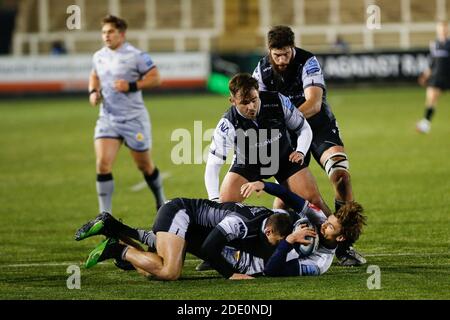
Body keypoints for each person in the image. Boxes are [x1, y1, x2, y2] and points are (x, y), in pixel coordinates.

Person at [252, 25, 364, 266]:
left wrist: (283, 123)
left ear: (293, 48)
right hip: (288, 136)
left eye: (286, 54)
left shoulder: (307, 62)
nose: (281, 60)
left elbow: (313, 104)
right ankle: (278, 245)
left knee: (341, 177)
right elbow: (255, 107)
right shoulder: (261, 71)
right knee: (295, 198)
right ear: (269, 51)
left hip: (319, 126)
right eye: (276, 55)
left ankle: (345, 246)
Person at [74, 198, 296, 280]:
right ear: (269, 232)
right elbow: (210, 248)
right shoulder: (242, 224)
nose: (275, 246)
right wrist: (230, 274)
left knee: (149, 269)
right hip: (179, 213)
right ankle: (116, 249)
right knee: (169, 272)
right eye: (277, 241)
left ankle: (113, 227)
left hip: (187, 225)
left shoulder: (269, 218)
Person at [204, 73, 331, 215]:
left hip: (283, 158)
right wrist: (214, 200)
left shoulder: (277, 101)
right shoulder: (227, 124)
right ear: (232, 101)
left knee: (314, 201)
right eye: (244, 103)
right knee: (225, 209)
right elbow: (213, 164)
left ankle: (338, 233)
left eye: (254, 100)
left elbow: (303, 128)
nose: (251, 107)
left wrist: (301, 151)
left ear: (258, 92)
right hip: (248, 163)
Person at [89, 15, 166, 214]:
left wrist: (131, 85)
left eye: (110, 32)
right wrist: (93, 92)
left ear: (121, 34)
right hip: (108, 118)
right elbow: (95, 75)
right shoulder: (99, 56)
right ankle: (104, 216)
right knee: (103, 164)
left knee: (145, 166)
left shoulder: (136, 56)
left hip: (133, 119)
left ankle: (160, 200)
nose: (106, 36)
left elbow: (156, 78)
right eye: (104, 32)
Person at [224, 181, 366, 276]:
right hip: (255, 227)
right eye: (327, 220)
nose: (323, 224)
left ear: (340, 237)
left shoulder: (319, 263)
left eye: (329, 226)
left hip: (250, 257)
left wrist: (289, 241)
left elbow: (272, 270)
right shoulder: (319, 217)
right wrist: (262, 185)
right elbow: (286, 195)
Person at [416, 21, 450, 134]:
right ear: (438, 30)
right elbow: (432, 63)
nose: (443, 31)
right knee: (431, 98)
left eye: (445, 28)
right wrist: (426, 75)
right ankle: (425, 124)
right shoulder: (434, 44)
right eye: (441, 29)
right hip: (437, 76)